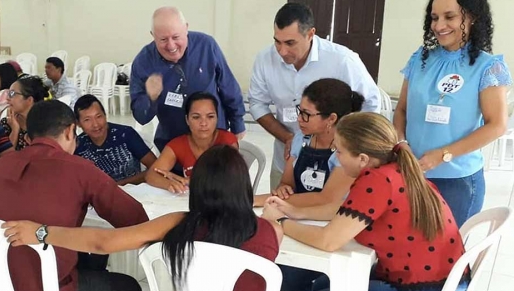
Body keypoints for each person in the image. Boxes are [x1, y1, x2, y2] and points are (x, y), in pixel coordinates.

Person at [2, 145, 290, 291]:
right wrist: (273, 217)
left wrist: (41, 232)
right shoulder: (267, 230)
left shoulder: (179, 222)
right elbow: (269, 235)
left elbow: (104, 241)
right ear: (244, 188)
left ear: (199, 187)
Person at [263, 112, 469, 291]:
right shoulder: (397, 169)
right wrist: (296, 212)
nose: (336, 157)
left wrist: (279, 223)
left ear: (362, 158)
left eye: (339, 151)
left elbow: (328, 240)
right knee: (321, 285)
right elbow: (349, 212)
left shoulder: (377, 180)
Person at [0, 100, 147, 291]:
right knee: (130, 290)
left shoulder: (3, 164)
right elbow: (134, 219)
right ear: (71, 130)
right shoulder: (79, 168)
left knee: (89, 259)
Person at [393, 0, 511, 228]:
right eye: (435, 18)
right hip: (410, 172)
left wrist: (443, 154)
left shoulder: (488, 67)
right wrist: (401, 142)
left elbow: (496, 125)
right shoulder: (420, 59)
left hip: (455, 182)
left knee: (441, 257)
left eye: (449, 17)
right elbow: (402, 109)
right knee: (403, 253)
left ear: (472, 17)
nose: (439, 26)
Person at [249, 3, 380, 191]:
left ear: (310, 34)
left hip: (338, 165)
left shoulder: (342, 60)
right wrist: (288, 138)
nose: (282, 51)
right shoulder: (265, 59)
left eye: (290, 43)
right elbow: (256, 104)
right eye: (277, 41)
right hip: (286, 160)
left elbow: (370, 106)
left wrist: (343, 141)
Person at [131, 6, 246, 154]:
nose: (171, 45)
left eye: (176, 37)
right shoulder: (143, 62)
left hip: (214, 140)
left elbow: (228, 86)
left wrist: (237, 123)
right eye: (163, 39)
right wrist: (150, 98)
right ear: (153, 35)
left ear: (186, 28)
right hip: (174, 145)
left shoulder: (206, 46)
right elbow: (141, 117)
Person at [254, 78, 363, 207]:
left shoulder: (350, 150)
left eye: (306, 114)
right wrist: (283, 188)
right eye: (299, 111)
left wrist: (259, 200)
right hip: (297, 213)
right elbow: (287, 183)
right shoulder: (301, 138)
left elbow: (326, 199)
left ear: (331, 118)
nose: (299, 119)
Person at [145, 91, 238, 193]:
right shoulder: (178, 144)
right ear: (187, 120)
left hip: (224, 202)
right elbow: (151, 175)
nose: (203, 123)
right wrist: (169, 183)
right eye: (196, 117)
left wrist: (187, 180)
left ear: (217, 118)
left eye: (210, 116)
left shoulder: (227, 141)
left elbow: (230, 179)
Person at [74, 94, 157, 184]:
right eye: (87, 120)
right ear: (78, 124)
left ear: (105, 115)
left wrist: (117, 186)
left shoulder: (125, 134)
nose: (95, 125)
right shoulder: (78, 146)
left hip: (132, 192)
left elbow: (156, 167)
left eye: (99, 116)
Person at [1, 75, 49, 150]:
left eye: (12, 94)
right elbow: (5, 158)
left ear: (29, 100)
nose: (7, 98)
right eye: (8, 93)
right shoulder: (7, 123)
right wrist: (15, 130)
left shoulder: (47, 125)